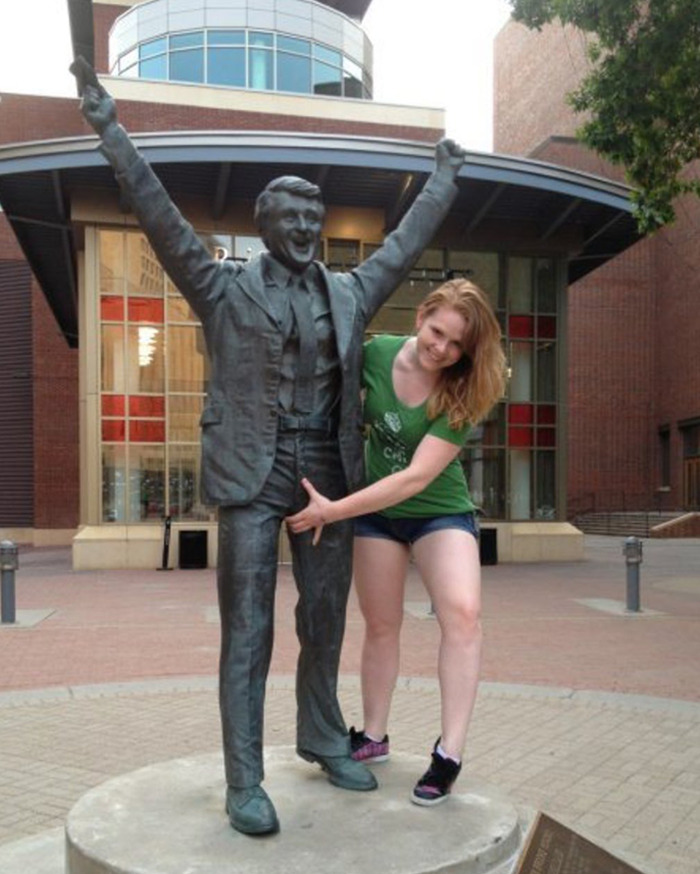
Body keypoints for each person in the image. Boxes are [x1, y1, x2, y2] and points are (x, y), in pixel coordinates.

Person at [71, 57, 467, 835]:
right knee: (246, 628)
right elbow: (157, 215)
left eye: (311, 221)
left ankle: (322, 733)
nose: (302, 230)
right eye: (289, 218)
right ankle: (244, 778)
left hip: (326, 473)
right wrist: (110, 130)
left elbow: (402, 242)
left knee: (324, 618)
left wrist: (444, 179)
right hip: (251, 471)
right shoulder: (221, 287)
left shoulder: (347, 292)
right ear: (263, 223)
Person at [286, 279, 506, 806]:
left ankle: (448, 753)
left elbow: (414, 479)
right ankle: (374, 735)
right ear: (422, 316)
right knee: (381, 625)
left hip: (437, 510)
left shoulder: (466, 386)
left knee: (463, 613)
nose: (443, 350)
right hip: (377, 516)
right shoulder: (376, 354)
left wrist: (332, 510)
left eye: (457, 345)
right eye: (438, 333)